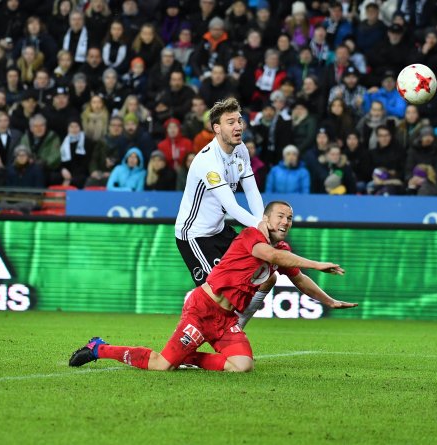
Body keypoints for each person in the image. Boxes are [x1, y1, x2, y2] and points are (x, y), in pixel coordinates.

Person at [69, 201, 357, 372]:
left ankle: (189, 356)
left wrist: (329, 301)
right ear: (266, 219)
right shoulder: (251, 236)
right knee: (162, 365)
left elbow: (299, 279)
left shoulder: (281, 248)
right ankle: (99, 348)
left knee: (243, 366)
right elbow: (272, 256)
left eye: (290, 218)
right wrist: (318, 263)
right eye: (280, 216)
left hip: (225, 320)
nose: (285, 221)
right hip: (202, 310)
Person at [174, 97, 269, 329]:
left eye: (239, 120)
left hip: (219, 229)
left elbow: (252, 191)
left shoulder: (241, 150)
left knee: (263, 274)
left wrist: (261, 222)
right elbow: (232, 207)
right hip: (195, 235)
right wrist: (260, 227)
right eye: (230, 122)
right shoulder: (208, 161)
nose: (238, 127)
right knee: (217, 294)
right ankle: (185, 335)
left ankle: (235, 329)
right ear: (216, 128)